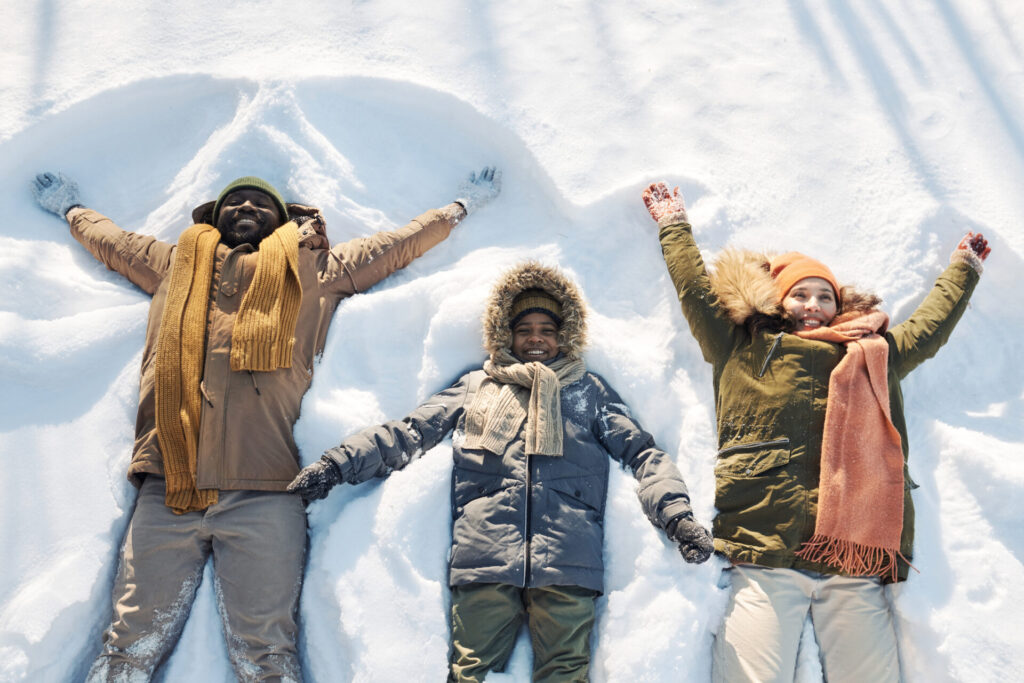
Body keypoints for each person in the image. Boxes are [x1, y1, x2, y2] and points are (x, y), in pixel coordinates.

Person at [30, 167, 501, 682]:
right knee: (127, 648)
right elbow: (115, 244)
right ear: (216, 215)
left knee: (267, 656)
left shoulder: (316, 269)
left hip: (268, 489)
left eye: (260, 202)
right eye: (235, 201)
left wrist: (456, 209)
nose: (246, 207)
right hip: (169, 484)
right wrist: (73, 211)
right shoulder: (177, 265)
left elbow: (394, 247)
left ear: (281, 217)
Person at [287, 260, 714, 682]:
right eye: (524, 329)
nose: (535, 340)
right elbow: (408, 434)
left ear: (564, 336)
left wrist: (678, 519)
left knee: (566, 675)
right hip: (484, 557)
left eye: (547, 331)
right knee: (470, 673)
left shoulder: (588, 392)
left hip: (568, 561)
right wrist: (337, 465)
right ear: (505, 333)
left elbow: (643, 455)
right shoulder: (477, 387)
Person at [641, 182, 989, 682]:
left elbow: (926, 332)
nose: (812, 303)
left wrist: (962, 272)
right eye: (800, 294)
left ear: (838, 304)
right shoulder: (745, 347)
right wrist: (674, 226)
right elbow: (696, 293)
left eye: (823, 295)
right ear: (780, 302)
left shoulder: (870, 354)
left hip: (852, 564)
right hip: (765, 552)